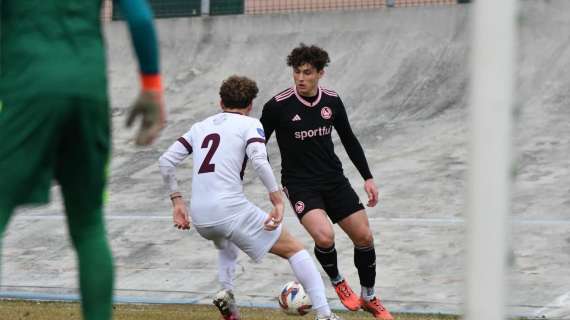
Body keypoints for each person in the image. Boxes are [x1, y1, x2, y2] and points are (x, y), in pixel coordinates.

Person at [0, 1, 165, 319]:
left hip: (27, 87)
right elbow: (141, 17)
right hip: (89, 93)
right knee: (89, 224)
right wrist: (152, 88)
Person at [158, 75, 342, 320]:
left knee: (226, 240)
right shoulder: (250, 124)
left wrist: (177, 202)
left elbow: (166, 161)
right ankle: (325, 315)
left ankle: (227, 293)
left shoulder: (200, 127)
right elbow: (258, 159)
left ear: (221, 102)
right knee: (296, 251)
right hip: (229, 209)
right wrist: (277, 199)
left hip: (201, 216)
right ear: (250, 105)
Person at [260, 44, 393, 320]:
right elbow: (256, 143)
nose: (300, 78)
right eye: (296, 72)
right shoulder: (277, 106)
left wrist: (367, 177)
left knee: (364, 237)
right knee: (324, 236)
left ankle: (369, 296)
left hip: (334, 179)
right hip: (299, 184)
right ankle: (337, 280)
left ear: (320, 73)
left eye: (307, 73)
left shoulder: (331, 101)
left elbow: (349, 139)